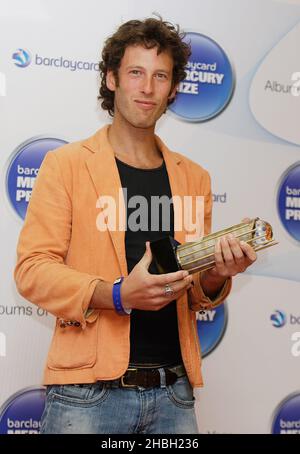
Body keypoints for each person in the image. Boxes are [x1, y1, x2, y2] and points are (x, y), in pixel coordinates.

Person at [14, 17, 257, 434]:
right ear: (111, 79)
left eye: (160, 75)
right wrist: (116, 295)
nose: (147, 87)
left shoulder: (194, 177)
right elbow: (32, 270)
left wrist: (216, 274)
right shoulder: (66, 165)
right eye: (135, 73)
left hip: (173, 395)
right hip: (87, 395)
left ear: (174, 88)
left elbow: (195, 292)